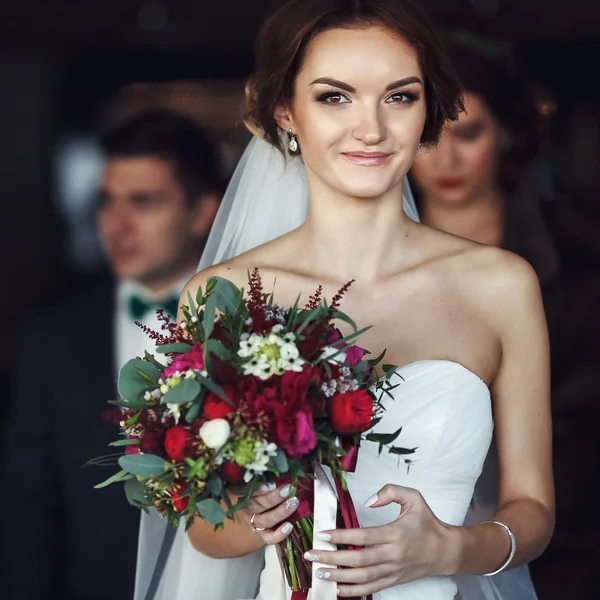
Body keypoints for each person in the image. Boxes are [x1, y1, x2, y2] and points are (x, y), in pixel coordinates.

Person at [139, 1, 554, 599]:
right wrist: (256, 520)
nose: (371, 129)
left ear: (428, 110)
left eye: (400, 96)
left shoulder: (502, 285)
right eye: (335, 97)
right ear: (286, 111)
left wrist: (452, 546)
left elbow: (534, 507)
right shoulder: (220, 297)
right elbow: (204, 530)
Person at [0, 110, 261, 600]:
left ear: (203, 210)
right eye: (106, 202)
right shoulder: (53, 335)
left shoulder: (254, 330)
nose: (116, 224)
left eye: (144, 202)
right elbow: (26, 505)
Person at [408, 38, 560, 287]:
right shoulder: (362, 253)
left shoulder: (568, 247)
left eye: (468, 134)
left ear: (505, 132)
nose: (447, 161)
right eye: (424, 137)